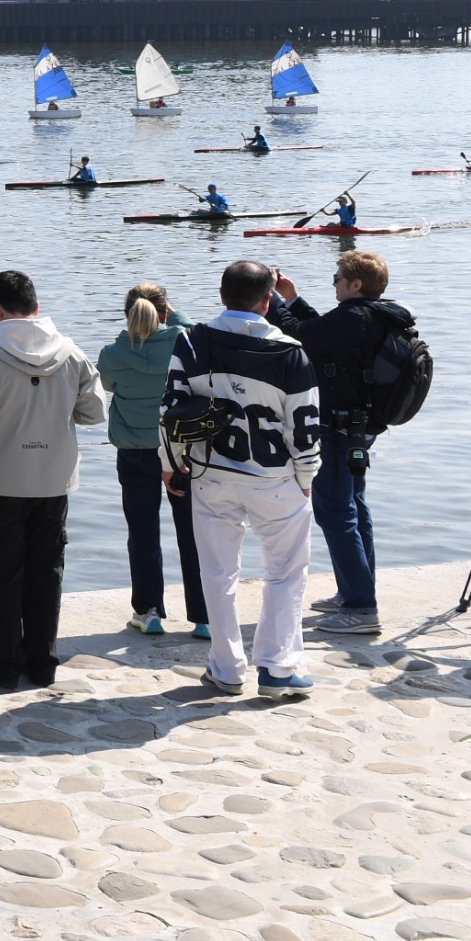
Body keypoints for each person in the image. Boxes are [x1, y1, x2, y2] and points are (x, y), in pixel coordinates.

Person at [164, 261, 321, 700]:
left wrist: (171, 462)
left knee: (217, 573)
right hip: (275, 477)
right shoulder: (291, 352)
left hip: (212, 472)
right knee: (286, 573)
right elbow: (305, 425)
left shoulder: (191, 342)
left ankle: (226, 667)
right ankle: (277, 667)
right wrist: (307, 475)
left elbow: (171, 408)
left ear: (221, 294)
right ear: (268, 300)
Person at [0, 270, 107, 689]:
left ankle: (2, 664)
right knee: (46, 570)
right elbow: (94, 413)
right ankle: (43, 662)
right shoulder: (71, 353)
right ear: (36, 304)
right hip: (53, 480)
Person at [269, 251, 412, 637]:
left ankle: (361, 607)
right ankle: (354, 591)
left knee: (336, 513)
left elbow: (299, 334)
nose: (334, 283)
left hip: (337, 429)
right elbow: (321, 331)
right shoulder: (376, 315)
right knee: (355, 508)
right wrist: (294, 299)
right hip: (361, 428)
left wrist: (275, 302)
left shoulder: (352, 318)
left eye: (337, 278)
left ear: (356, 284)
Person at [96, 284, 208, 639]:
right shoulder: (185, 344)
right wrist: (173, 313)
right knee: (193, 532)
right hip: (181, 450)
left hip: (135, 450)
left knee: (142, 532)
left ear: (128, 315)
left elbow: (109, 385)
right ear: (164, 311)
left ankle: (149, 611)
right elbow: (189, 330)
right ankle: (204, 617)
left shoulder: (113, 353)